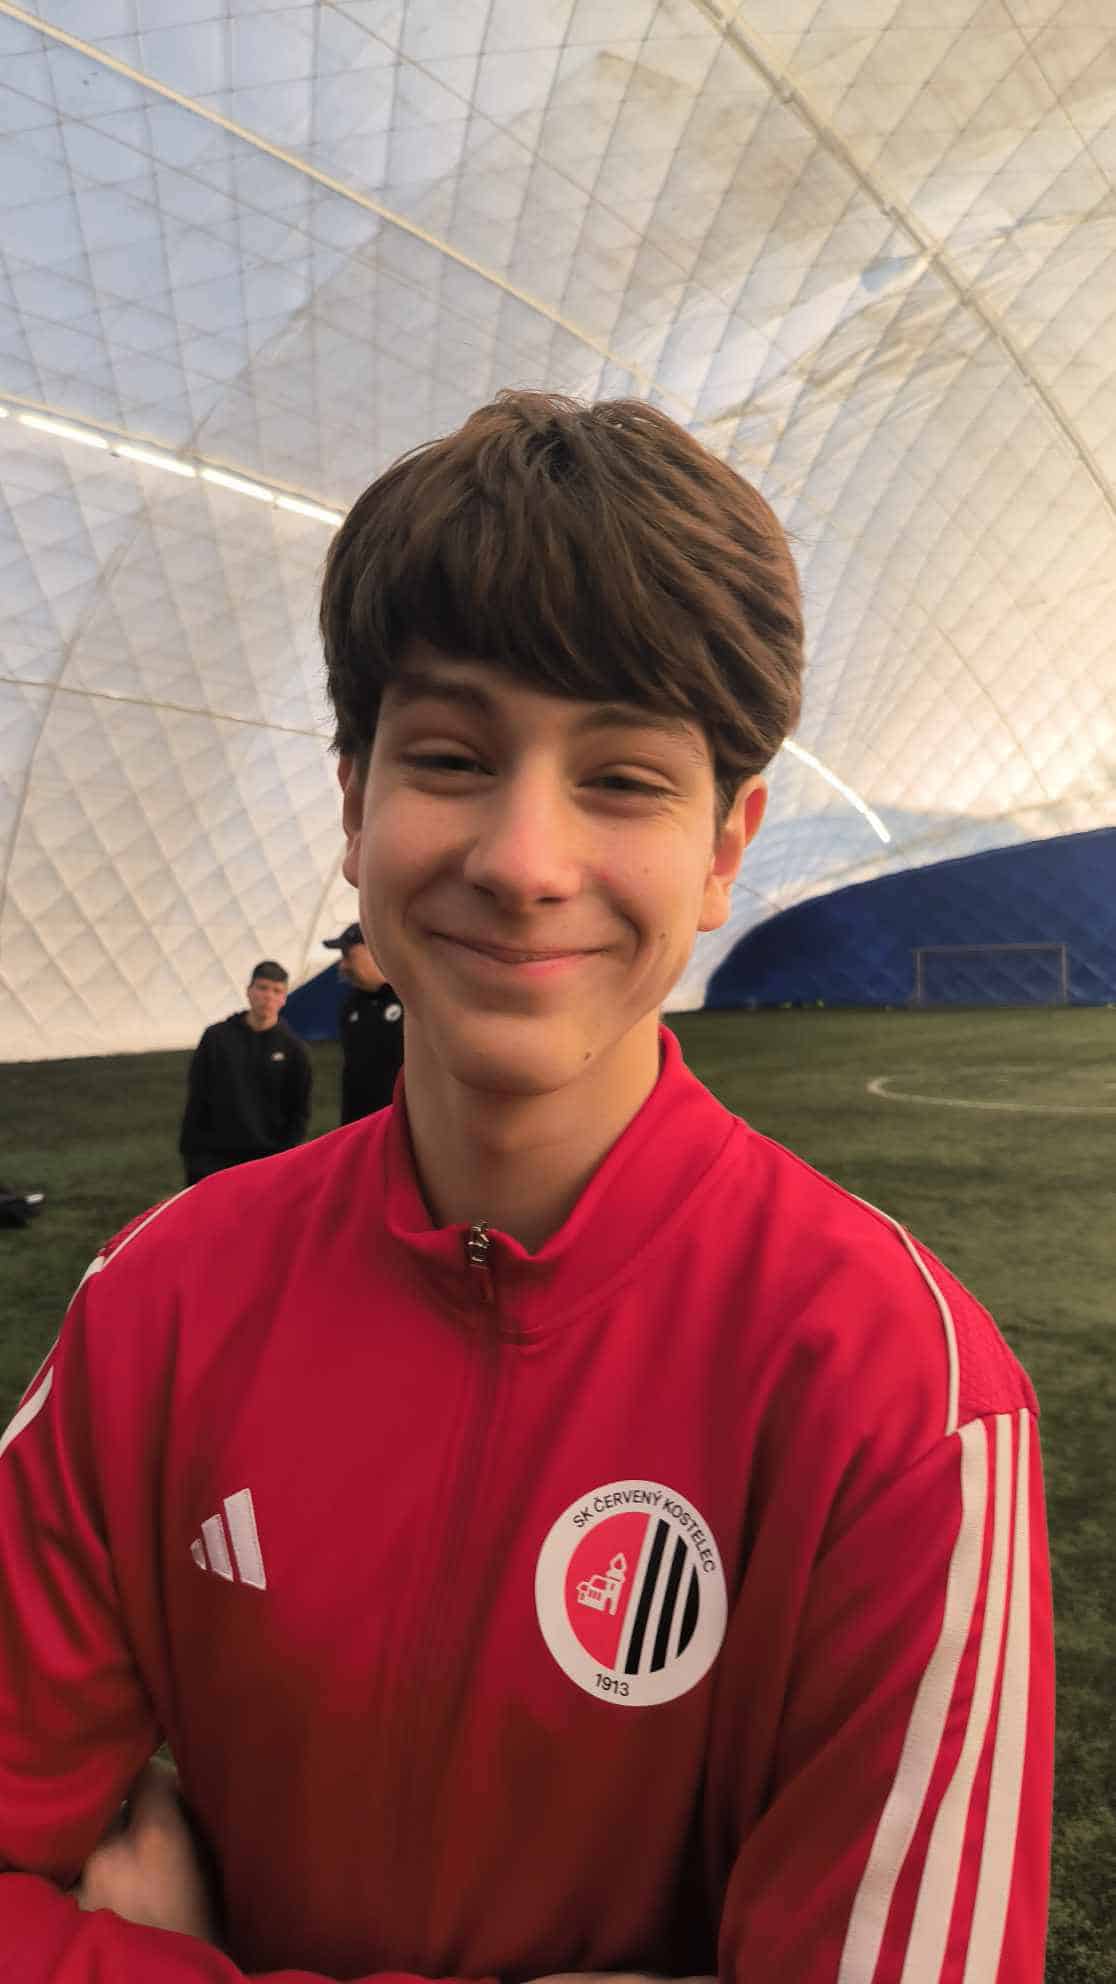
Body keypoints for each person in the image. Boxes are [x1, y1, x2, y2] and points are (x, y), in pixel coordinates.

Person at [0, 393, 1053, 1983]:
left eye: (622, 779)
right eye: (450, 757)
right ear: (353, 804)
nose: (523, 859)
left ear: (727, 850)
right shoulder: (161, 1301)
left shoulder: (904, 1398)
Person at [178, 960, 312, 1185]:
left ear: (284, 998)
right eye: (262, 988)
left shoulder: (295, 1050)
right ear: (249, 991)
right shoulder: (216, 1039)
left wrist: (284, 1160)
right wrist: (193, 1156)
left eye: (277, 991)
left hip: (266, 1160)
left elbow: (299, 1113)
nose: (268, 996)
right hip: (215, 1158)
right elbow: (197, 1099)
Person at [322, 922, 404, 1121]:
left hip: (401, 1121)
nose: (343, 965)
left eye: (348, 955)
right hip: (360, 1121)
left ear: (373, 950)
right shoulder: (351, 1006)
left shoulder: (410, 999)